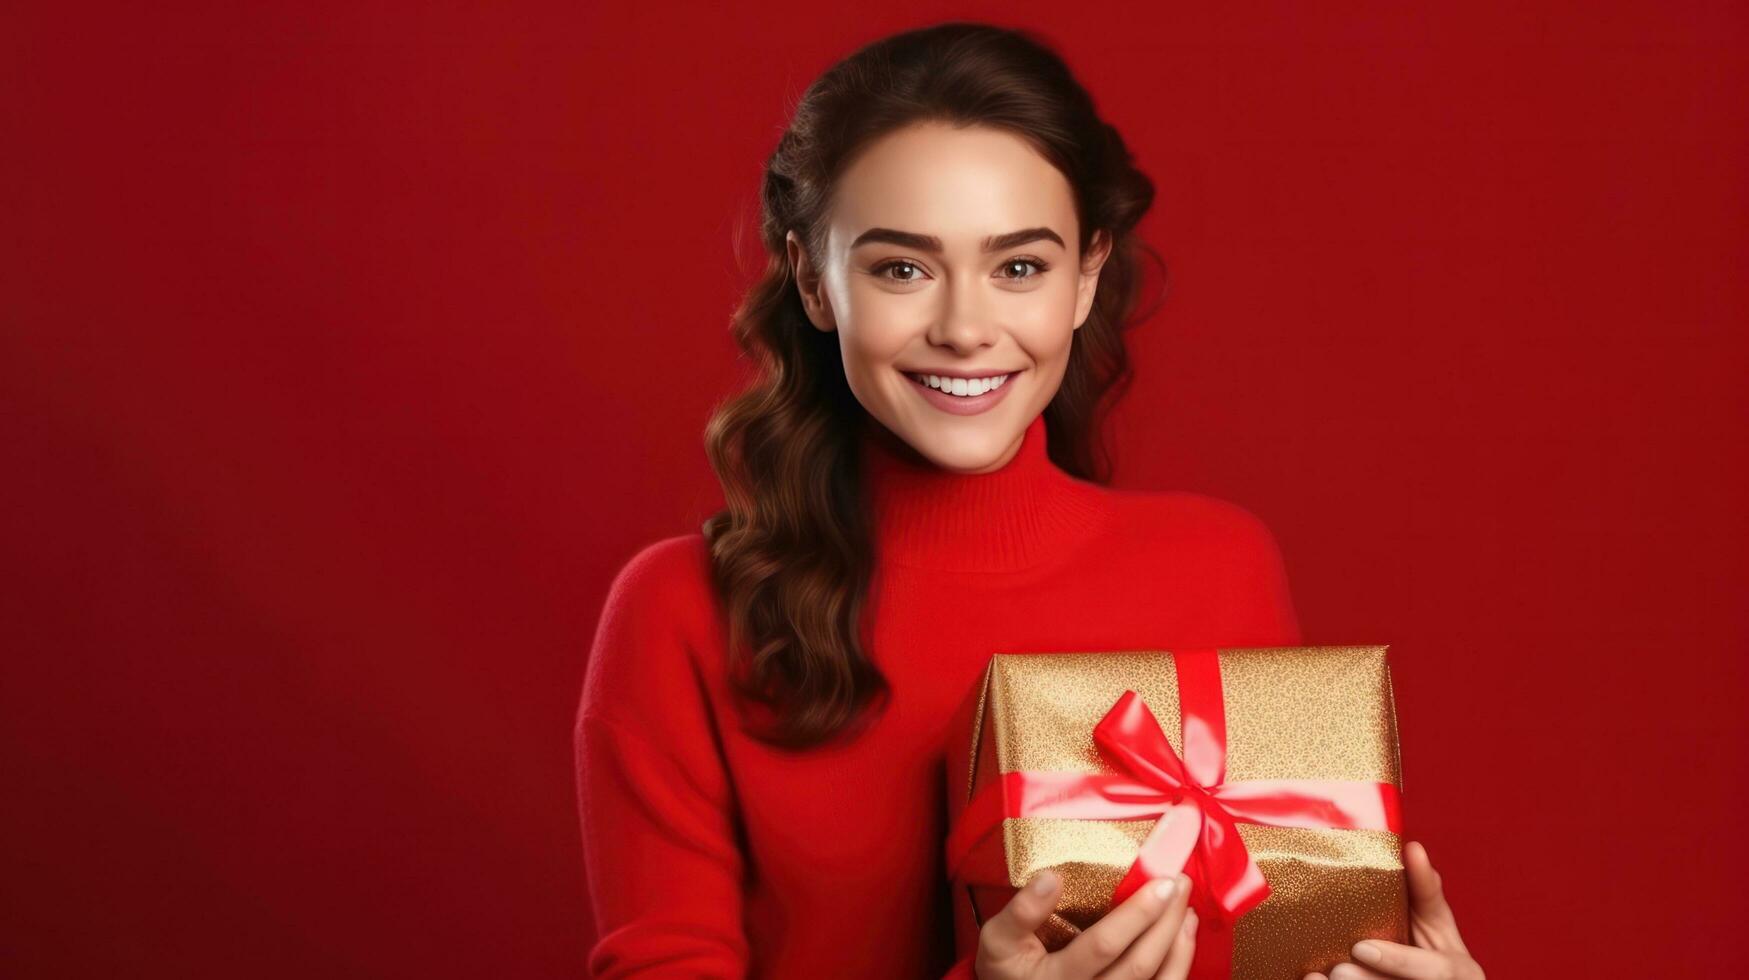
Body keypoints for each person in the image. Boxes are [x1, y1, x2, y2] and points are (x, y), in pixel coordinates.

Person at [574, 21, 1484, 980]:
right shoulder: (681, 610)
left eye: (1019, 267)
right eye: (901, 268)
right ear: (811, 279)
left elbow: (1265, 942)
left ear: (1087, 274)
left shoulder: (1218, 565)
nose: (966, 328)